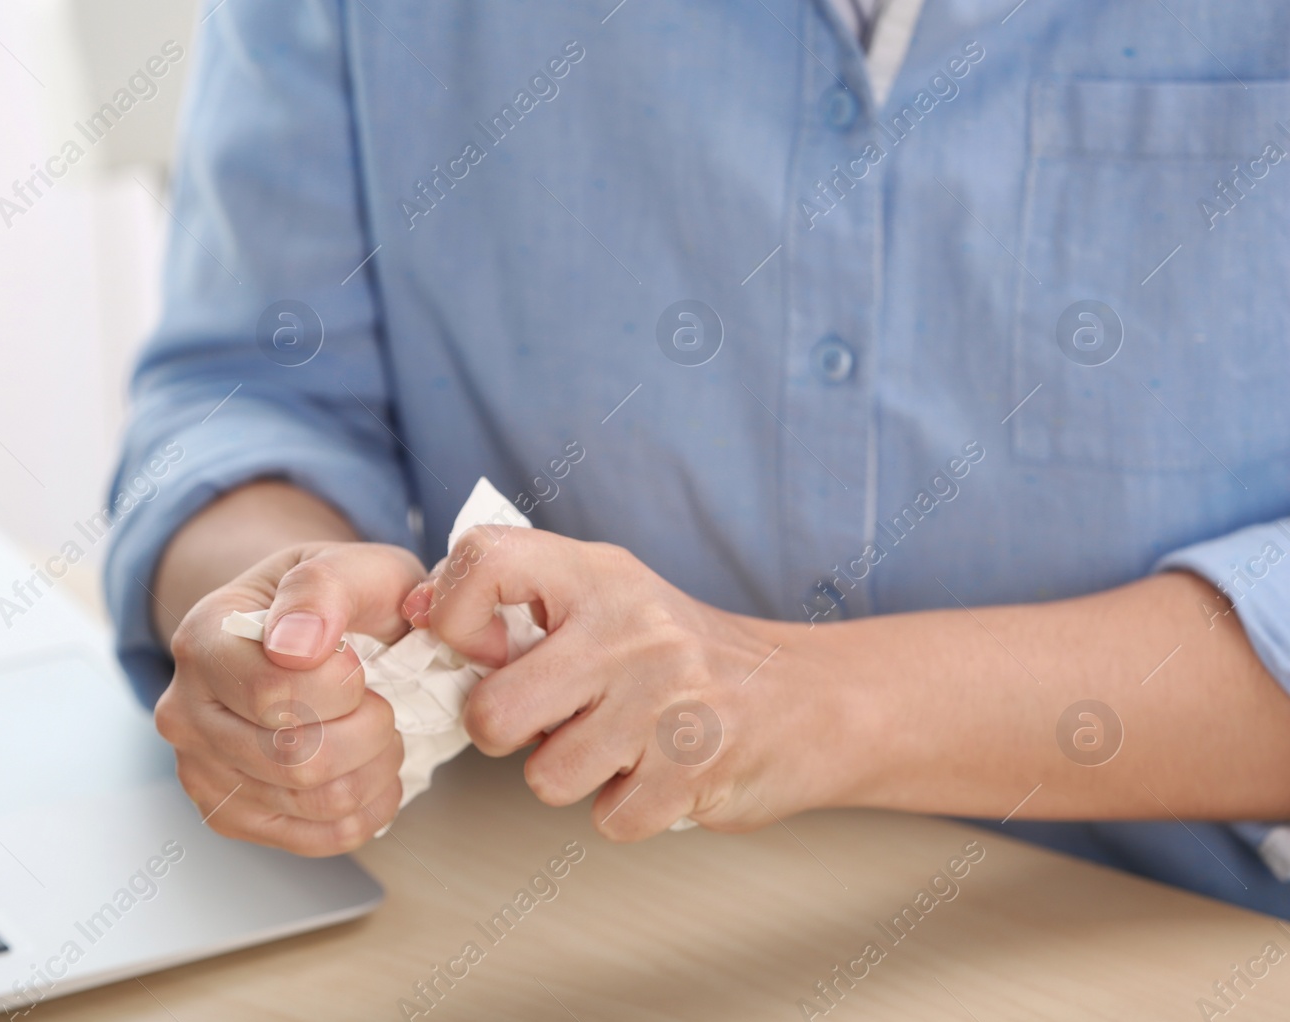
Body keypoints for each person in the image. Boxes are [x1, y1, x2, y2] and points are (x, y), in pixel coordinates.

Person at [103, 0, 1290, 916]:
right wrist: (286, 606)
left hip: (1172, 954)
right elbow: (245, 387)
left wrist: (796, 698)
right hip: (571, 932)